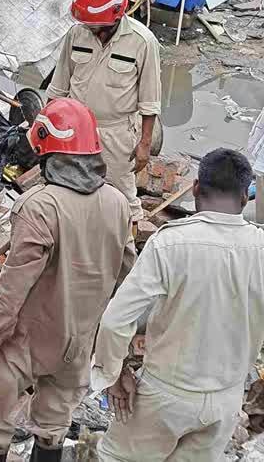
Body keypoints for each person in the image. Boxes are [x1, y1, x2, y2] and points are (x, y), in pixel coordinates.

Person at [0, 97, 135, 462]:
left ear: (47, 150)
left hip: (28, 339)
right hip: (80, 341)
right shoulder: (118, 203)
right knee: (53, 424)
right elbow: (127, 277)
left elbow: (13, 286)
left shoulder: (40, 205)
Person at [92, 148, 264, 461]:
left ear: (196, 188)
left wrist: (113, 375)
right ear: (244, 197)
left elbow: (116, 320)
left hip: (166, 393)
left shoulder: (170, 242)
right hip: (225, 400)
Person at [46, 0, 161, 226]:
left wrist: (145, 144)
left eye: (95, 24)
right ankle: (77, 233)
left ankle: (126, 243)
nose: (90, 29)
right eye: (87, 23)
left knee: (122, 196)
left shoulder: (142, 41)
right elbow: (59, 86)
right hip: (75, 130)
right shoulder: (76, 34)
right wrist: (45, 127)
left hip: (117, 133)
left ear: (115, 17)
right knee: (70, 186)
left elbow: (150, 100)